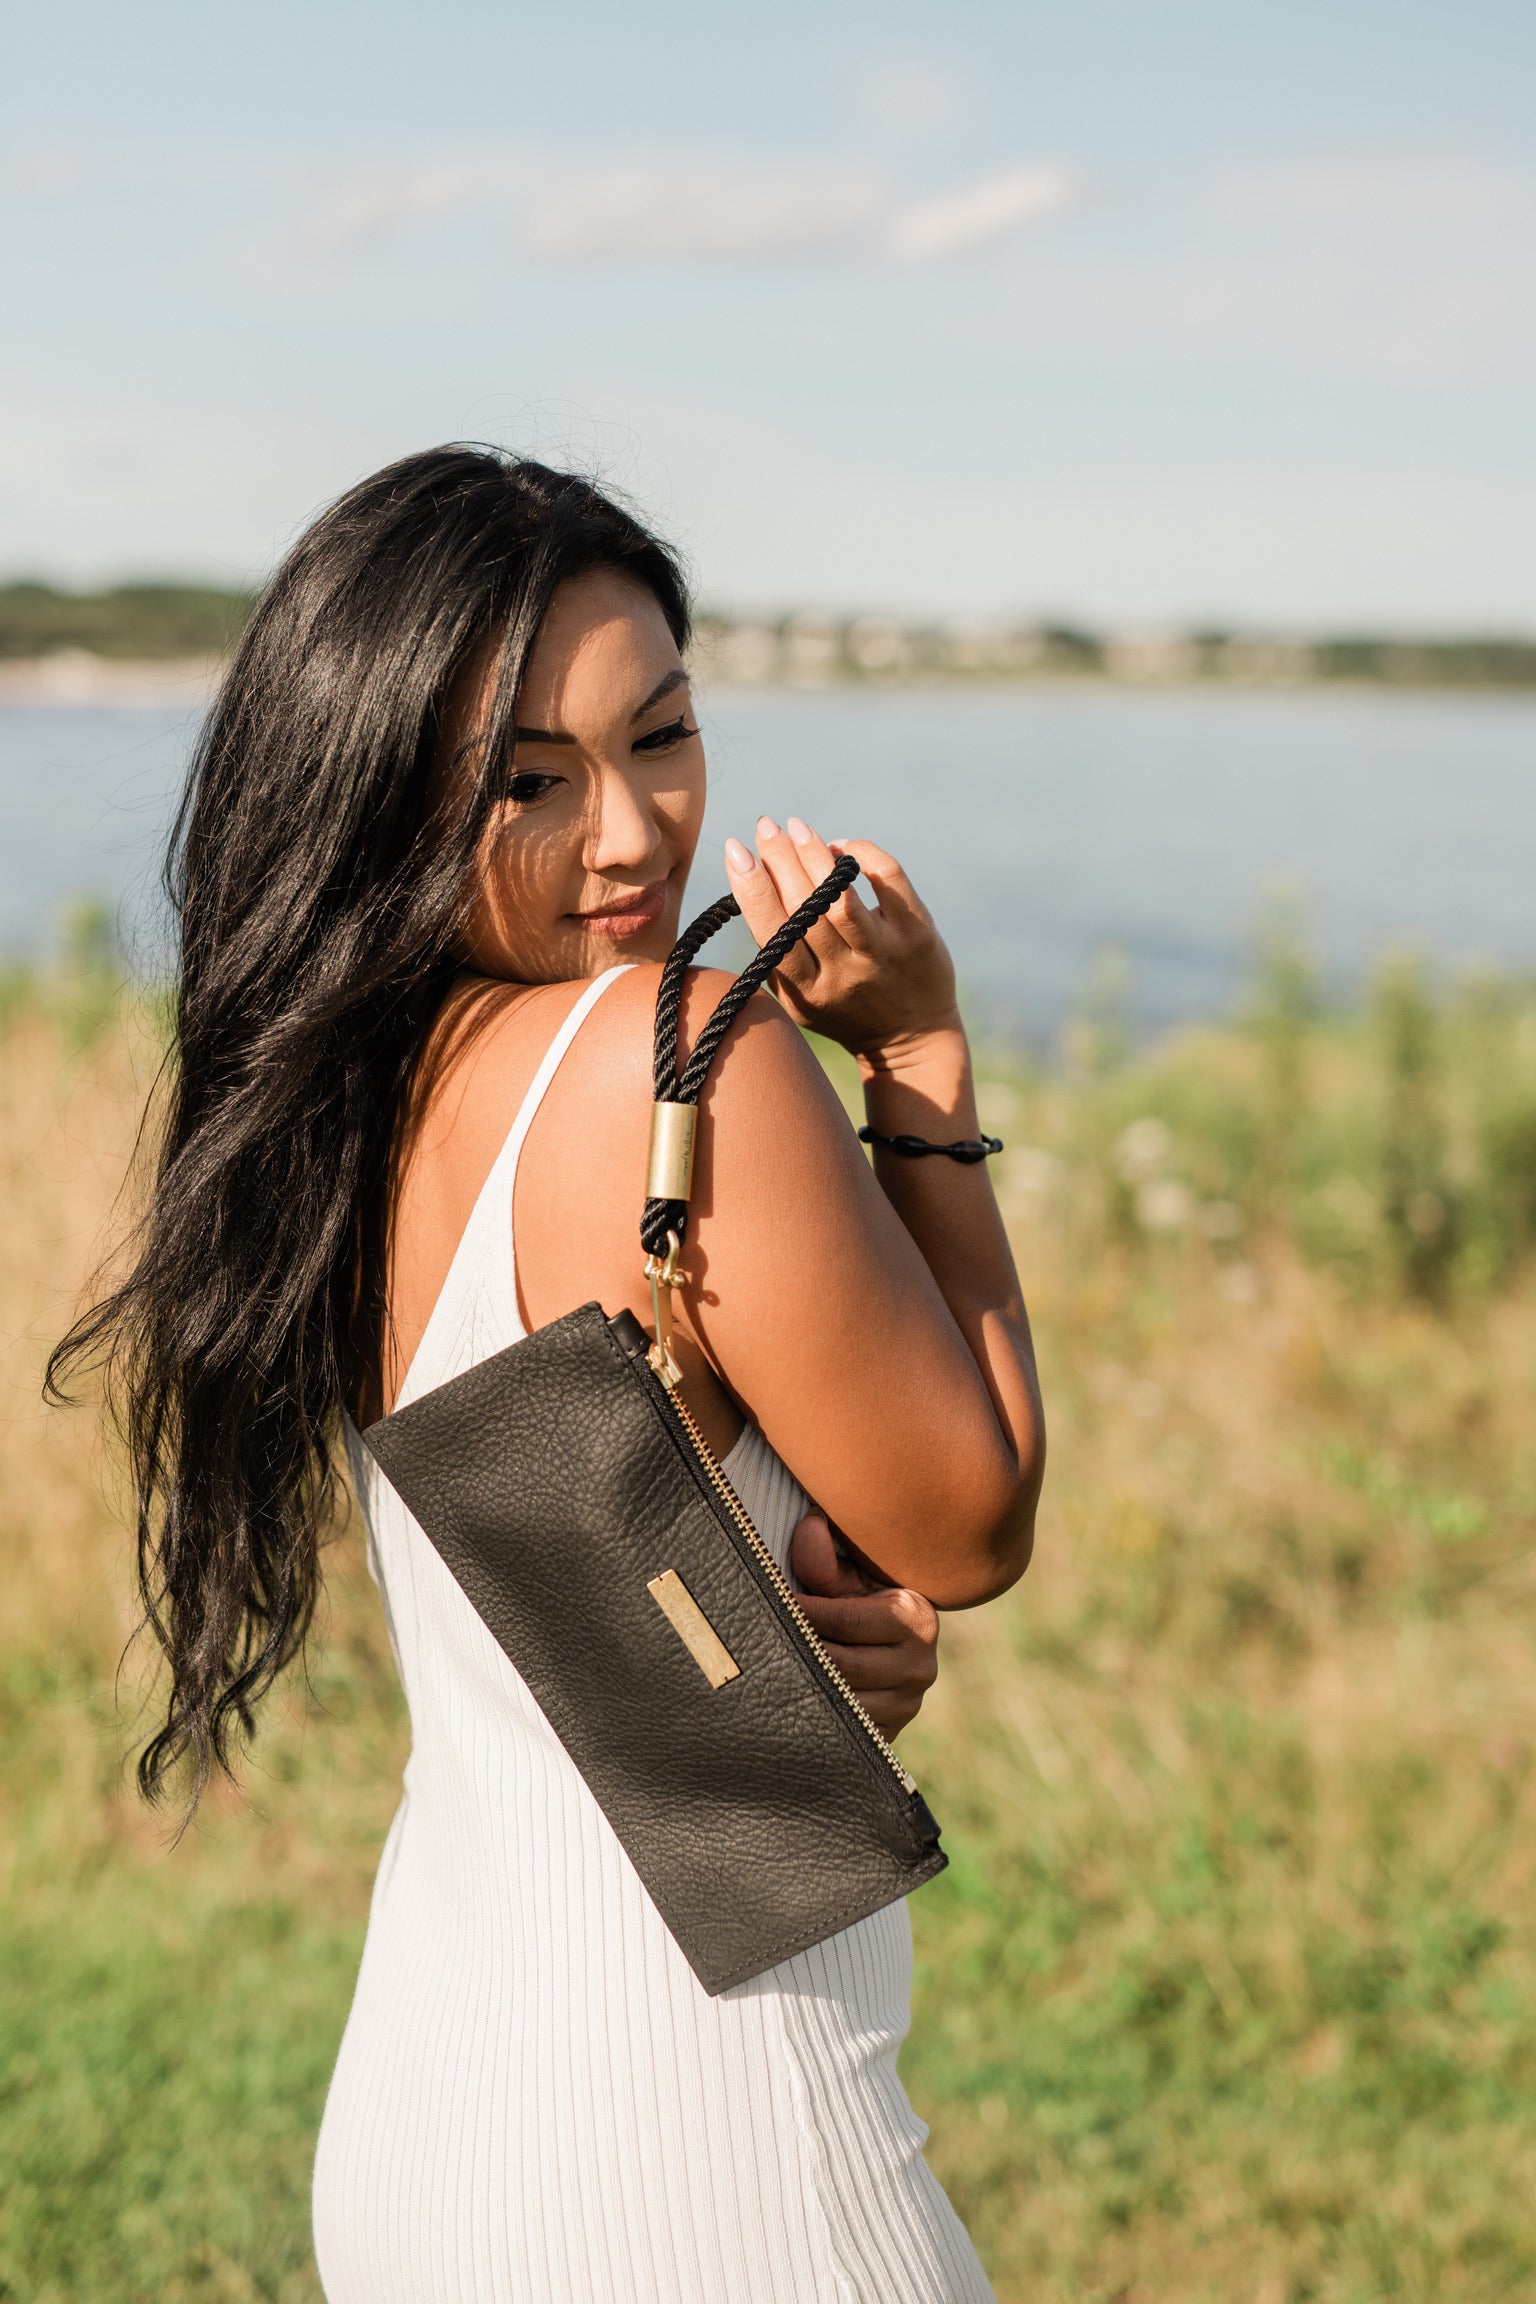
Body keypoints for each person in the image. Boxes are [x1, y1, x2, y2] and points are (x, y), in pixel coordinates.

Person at [53, 447, 1044, 2302]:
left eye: (660, 738)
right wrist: (919, 1058)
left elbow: (568, 1608)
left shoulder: (345, 1104)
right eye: (528, 781)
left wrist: (789, 1661)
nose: (631, 835)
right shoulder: (672, 1055)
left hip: (444, 2122)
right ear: (382, 795)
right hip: (717, 2154)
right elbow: (975, 1512)